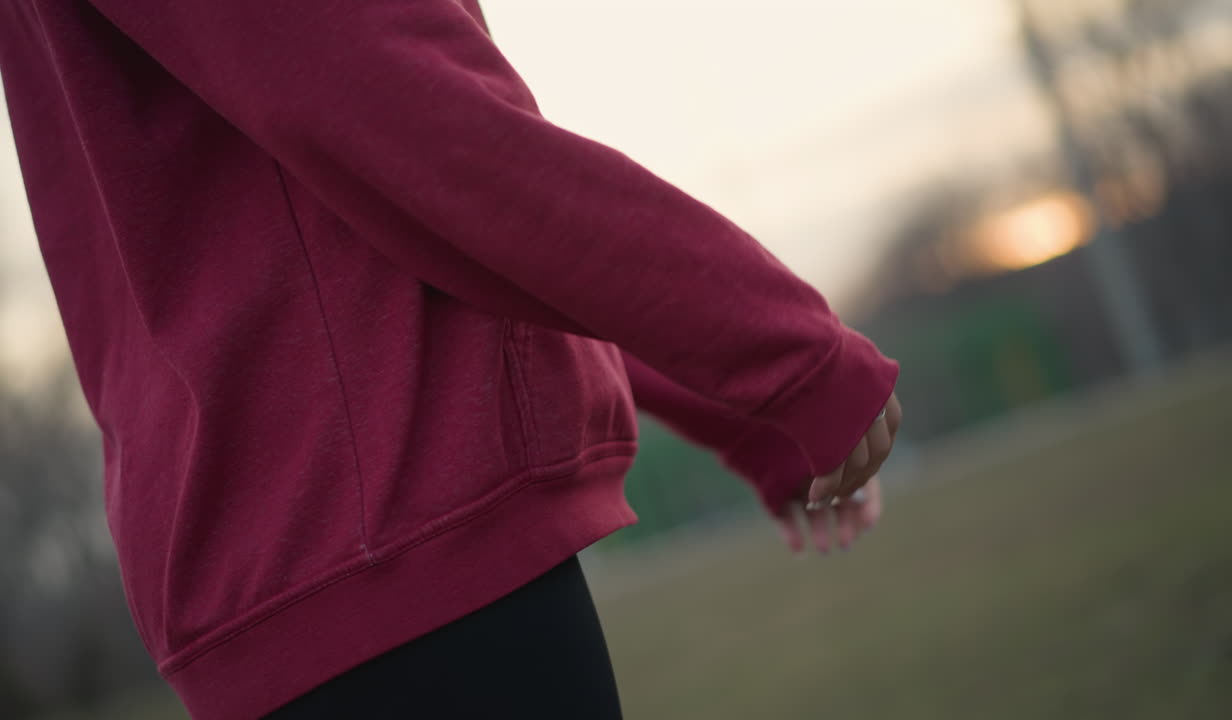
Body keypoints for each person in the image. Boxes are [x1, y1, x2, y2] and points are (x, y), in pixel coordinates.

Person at [0, 0, 901, 717]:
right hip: (385, 561)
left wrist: (737, 407)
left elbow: (376, 226)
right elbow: (417, 123)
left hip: (334, 558)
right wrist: (784, 352)